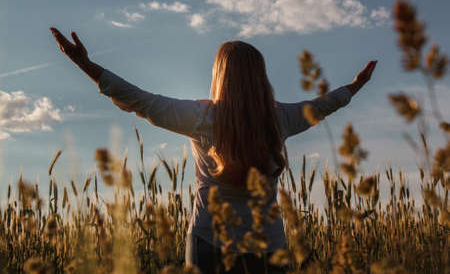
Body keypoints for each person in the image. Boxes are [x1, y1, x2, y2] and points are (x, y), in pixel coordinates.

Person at [50, 27, 376, 273]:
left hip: (208, 244)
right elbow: (324, 105)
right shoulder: (281, 118)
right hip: (268, 249)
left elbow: (140, 100)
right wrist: (356, 86)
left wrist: (86, 65)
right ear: (260, 77)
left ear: (219, 75)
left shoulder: (202, 117)